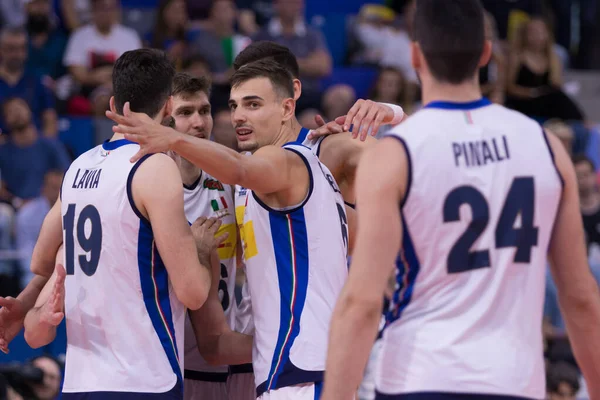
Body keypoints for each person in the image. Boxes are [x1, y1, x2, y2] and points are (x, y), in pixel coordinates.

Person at [322, 1, 600, 400]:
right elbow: (581, 298)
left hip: (419, 377)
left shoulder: (395, 153)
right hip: (514, 380)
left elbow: (362, 303)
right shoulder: (547, 147)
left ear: (415, 54)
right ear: (487, 52)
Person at [107, 59, 349, 400]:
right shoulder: (144, 182)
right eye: (234, 106)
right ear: (165, 114)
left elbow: (242, 170)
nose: (234, 117)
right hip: (186, 361)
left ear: (287, 106)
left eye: (205, 111)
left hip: (276, 365)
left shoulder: (247, 176)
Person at [23, 48, 216, 399]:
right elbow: (193, 291)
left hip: (81, 382)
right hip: (143, 381)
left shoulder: (78, 167)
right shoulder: (154, 166)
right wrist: (202, 252)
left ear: (114, 101)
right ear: (169, 106)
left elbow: (40, 261)